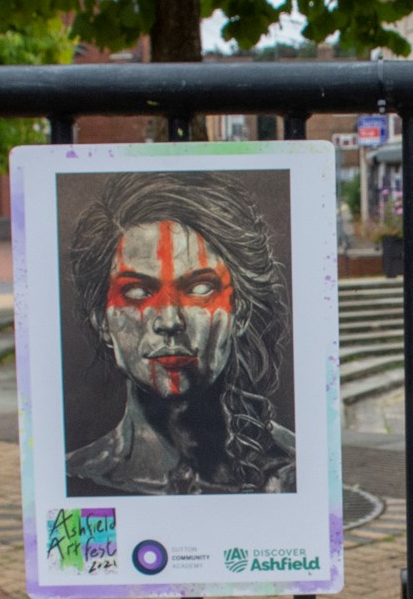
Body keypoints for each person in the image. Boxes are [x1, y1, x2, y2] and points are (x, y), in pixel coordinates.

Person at [61, 172, 298, 495]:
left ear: (239, 311)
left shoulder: (297, 471)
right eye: (137, 291)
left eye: (200, 287)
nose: (169, 320)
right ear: (102, 320)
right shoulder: (75, 479)